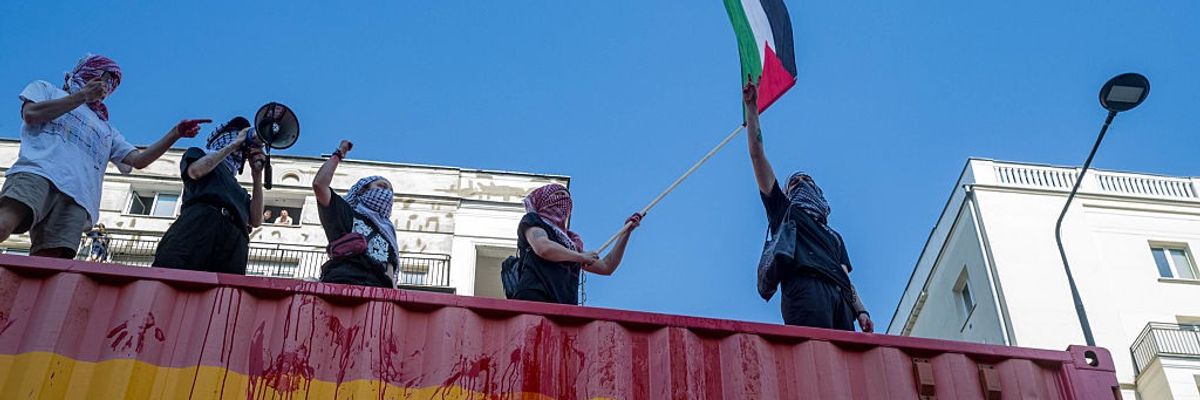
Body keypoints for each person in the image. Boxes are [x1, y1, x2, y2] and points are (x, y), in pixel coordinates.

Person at [0, 54, 208, 258]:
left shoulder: (106, 129)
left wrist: (175, 134)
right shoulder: (47, 89)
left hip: (78, 196)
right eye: (106, 77)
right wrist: (82, 96)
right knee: (3, 225)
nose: (109, 86)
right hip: (37, 173)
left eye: (114, 83)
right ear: (90, 71)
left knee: (50, 262)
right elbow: (32, 114)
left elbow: (138, 160)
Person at [743, 81, 873, 332]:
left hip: (840, 299)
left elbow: (844, 276)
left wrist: (862, 310)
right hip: (806, 290)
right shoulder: (785, 212)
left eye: (806, 181)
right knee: (815, 357)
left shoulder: (834, 237)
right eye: (794, 183)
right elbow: (757, 154)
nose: (801, 184)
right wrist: (752, 108)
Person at [152, 117, 266, 274]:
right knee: (173, 280)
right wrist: (232, 146)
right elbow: (195, 171)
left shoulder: (238, 190)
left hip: (232, 242)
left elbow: (256, 220)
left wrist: (257, 175)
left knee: (224, 294)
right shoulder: (197, 154)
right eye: (234, 134)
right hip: (199, 227)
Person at [511, 183, 643, 304]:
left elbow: (607, 266)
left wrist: (626, 232)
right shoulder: (533, 221)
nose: (563, 200)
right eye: (558, 194)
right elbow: (543, 247)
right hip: (535, 297)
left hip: (563, 306)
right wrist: (581, 257)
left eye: (567, 198)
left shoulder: (570, 243)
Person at [312, 140, 399, 288]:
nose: (386, 193)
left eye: (389, 191)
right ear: (363, 190)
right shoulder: (346, 213)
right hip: (341, 284)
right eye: (381, 187)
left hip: (375, 295)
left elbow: (390, 276)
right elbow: (320, 185)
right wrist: (339, 154)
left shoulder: (388, 234)